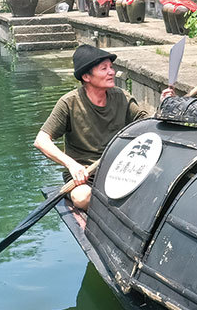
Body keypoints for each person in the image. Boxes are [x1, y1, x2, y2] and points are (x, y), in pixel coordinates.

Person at [34, 45, 173, 210]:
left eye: (111, 67)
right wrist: (73, 165)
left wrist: (163, 106)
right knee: (83, 198)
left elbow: (148, 126)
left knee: (161, 186)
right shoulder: (69, 103)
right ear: (86, 76)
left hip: (120, 171)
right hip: (85, 177)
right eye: (104, 68)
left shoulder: (121, 97)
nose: (111, 72)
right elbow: (41, 141)